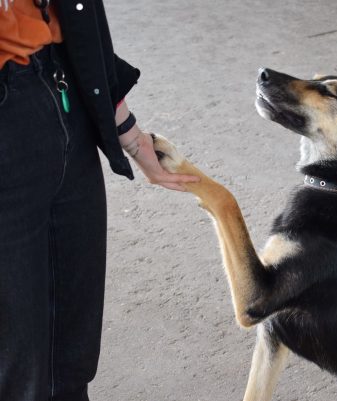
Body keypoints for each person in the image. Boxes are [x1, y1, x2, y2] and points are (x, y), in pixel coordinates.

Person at [0, 1, 199, 400]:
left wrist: (127, 130)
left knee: (72, 349)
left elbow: (81, 18)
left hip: (60, 84)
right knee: (18, 362)